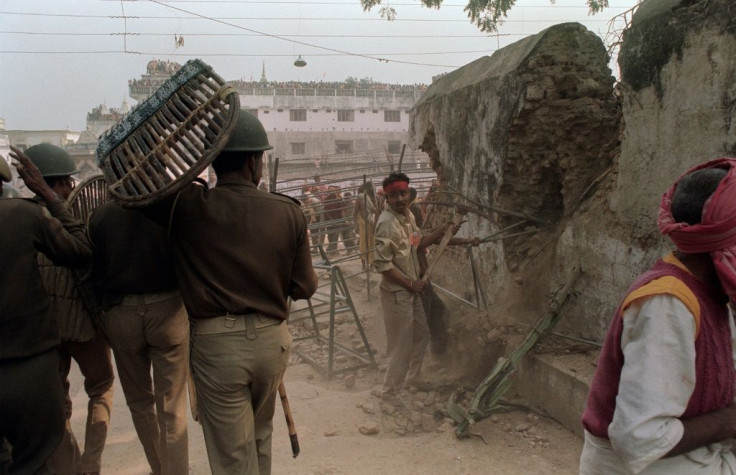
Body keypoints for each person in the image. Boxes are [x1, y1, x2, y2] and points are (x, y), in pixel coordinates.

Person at [143, 110, 318, 474]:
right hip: (272, 342)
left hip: (217, 348)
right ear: (255, 163)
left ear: (211, 161)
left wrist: (184, 151)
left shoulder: (186, 206)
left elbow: (142, 175)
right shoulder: (288, 212)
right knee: (260, 436)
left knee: (233, 457)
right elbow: (305, 287)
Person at [580, 158, 736, 474]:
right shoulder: (667, 304)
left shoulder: (713, 295)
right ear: (723, 242)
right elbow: (640, 438)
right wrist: (730, 421)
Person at [0, 146, 92, 474]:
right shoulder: (22, 216)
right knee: (40, 461)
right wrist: (47, 196)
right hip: (30, 367)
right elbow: (81, 250)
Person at [24, 144, 114, 475]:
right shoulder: (72, 219)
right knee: (102, 386)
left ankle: (68, 467)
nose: (71, 187)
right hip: (82, 327)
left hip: (42, 333)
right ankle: (90, 465)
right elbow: (90, 258)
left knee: (55, 402)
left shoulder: (23, 219)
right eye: (66, 182)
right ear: (56, 184)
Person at [87, 202, 189, 475]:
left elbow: (92, 271)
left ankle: (159, 468)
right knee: (172, 404)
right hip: (168, 310)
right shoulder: (170, 208)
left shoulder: (102, 216)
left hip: (122, 314)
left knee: (140, 403)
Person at [373, 172, 462, 398]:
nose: (400, 199)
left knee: (421, 334)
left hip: (412, 289)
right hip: (397, 292)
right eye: (394, 196)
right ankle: (389, 393)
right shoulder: (386, 223)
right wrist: (411, 284)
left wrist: (443, 231)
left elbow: (417, 243)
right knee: (400, 345)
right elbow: (383, 265)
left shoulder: (408, 216)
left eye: (403, 193)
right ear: (387, 198)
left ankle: (413, 377)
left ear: (409, 194)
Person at [354, 181, 378, 269]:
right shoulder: (360, 198)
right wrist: (356, 225)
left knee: (372, 243)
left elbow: (376, 212)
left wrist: (374, 211)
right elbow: (355, 214)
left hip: (371, 223)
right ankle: (363, 264)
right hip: (363, 224)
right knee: (363, 244)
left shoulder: (373, 198)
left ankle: (371, 264)